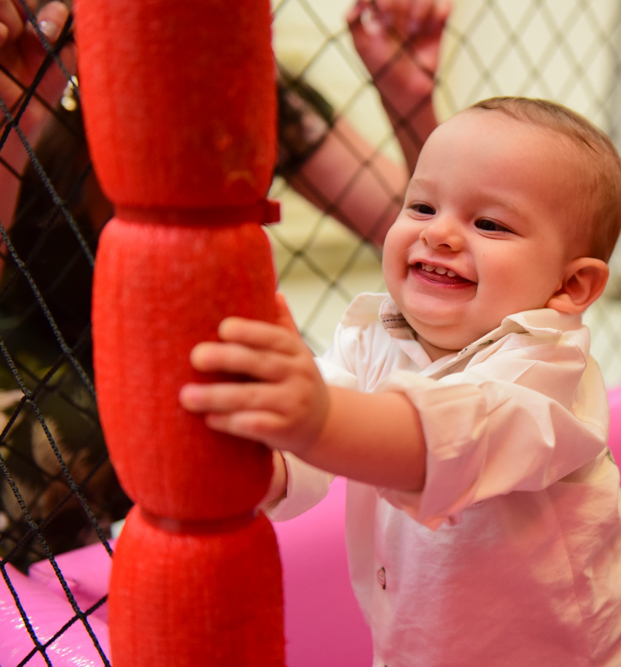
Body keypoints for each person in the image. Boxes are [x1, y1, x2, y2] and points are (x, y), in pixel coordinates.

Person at [180, 97, 621, 666]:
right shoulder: (374, 334)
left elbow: (446, 439)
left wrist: (318, 417)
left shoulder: (545, 371)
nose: (440, 234)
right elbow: (317, 443)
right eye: (422, 206)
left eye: (489, 224)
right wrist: (265, 460)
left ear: (571, 286)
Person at [0, 0, 449, 569]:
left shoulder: (241, 83)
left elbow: (427, 247)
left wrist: (408, 101)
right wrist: (16, 125)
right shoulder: (32, 65)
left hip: (211, 370)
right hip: (39, 381)